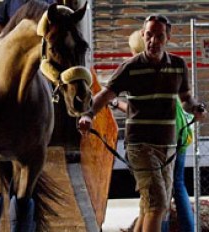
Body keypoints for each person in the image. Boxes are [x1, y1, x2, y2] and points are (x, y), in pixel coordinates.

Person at [79, 14, 206, 232]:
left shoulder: (178, 65)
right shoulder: (129, 67)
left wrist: (196, 108)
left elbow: (186, 99)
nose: (153, 41)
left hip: (168, 147)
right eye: (149, 35)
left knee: (155, 205)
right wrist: (89, 113)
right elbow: (105, 95)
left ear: (168, 37)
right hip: (140, 146)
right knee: (156, 204)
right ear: (142, 35)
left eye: (159, 36)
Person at [115, 29, 195, 232]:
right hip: (178, 135)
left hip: (167, 138)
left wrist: (115, 102)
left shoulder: (148, 72)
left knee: (161, 196)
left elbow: (140, 110)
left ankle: (172, 228)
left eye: (134, 51)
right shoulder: (163, 68)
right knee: (156, 197)